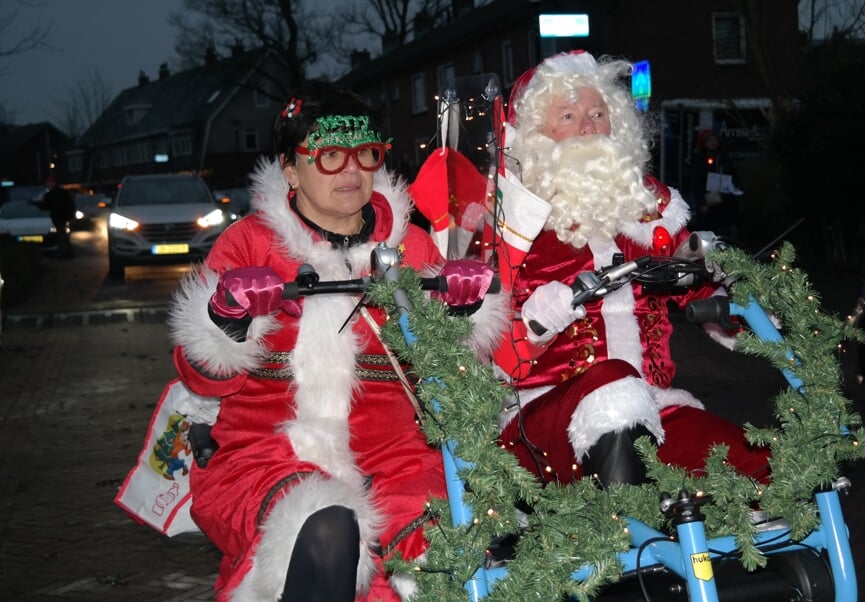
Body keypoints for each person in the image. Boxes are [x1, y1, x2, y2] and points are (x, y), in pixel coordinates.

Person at [166, 81, 505, 602]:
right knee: (323, 527)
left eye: (365, 154)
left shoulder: (409, 245)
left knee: (452, 551)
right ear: (290, 167)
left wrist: (464, 311)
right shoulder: (250, 242)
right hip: (265, 453)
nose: (351, 170)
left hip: (396, 458)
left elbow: (449, 369)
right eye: (328, 156)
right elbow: (202, 372)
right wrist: (226, 318)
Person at [486, 51, 770, 487]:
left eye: (598, 113)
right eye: (568, 115)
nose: (589, 126)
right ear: (534, 137)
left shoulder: (648, 211)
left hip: (654, 409)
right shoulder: (511, 224)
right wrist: (539, 321)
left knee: (762, 469)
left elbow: (697, 283)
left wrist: (737, 307)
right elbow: (483, 348)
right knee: (614, 386)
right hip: (543, 419)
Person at [687, 128, 743, 242]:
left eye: (714, 140)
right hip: (709, 205)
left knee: (728, 235)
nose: (713, 143)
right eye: (709, 140)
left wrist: (736, 187)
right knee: (710, 236)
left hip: (726, 203)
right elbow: (696, 183)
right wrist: (701, 203)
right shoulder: (700, 160)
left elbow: (733, 175)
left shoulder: (724, 158)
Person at [39, 176, 75, 257]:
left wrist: (39, 205)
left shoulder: (52, 194)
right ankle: (67, 251)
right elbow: (70, 204)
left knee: (62, 234)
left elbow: (47, 206)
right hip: (61, 217)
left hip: (60, 217)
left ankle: (63, 251)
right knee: (63, 234)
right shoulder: (58, 193)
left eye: (49, 184)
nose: (48, 186)